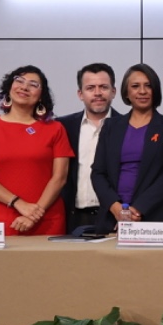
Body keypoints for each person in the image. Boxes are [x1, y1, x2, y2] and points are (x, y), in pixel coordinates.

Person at [0, 65, 72, 236]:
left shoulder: (55, 129)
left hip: (47, 218)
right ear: (9, 87)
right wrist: (18, 203)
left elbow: (59, 178)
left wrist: (34, 214)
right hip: (3, 219)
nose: (24, 87)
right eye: (19, 81)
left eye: (33, 84)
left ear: (41, 95)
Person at [90, 64, 163, 232]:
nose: (142, 91)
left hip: (157, 216)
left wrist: (137, 209)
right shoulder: (111, 126)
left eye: (148, 85)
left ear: (155, 90)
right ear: (126, 92)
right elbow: (98, 173)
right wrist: (115, 207)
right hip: (113, 217)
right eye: (135, 86)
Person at [58, 63, 116, 234]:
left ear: (113, 92)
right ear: (80, 94)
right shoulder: (63, 127)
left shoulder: (126, 126)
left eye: (103, 87)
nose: (97, 93)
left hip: (114, 217)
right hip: (72, 217)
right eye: (90, 88)